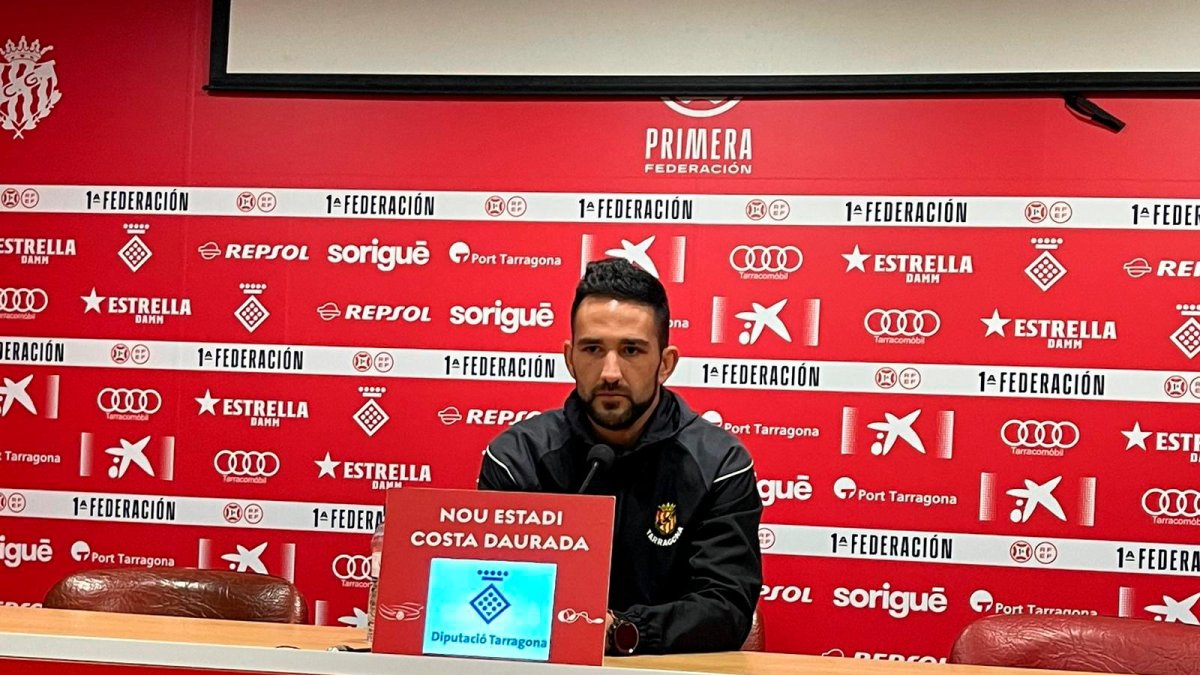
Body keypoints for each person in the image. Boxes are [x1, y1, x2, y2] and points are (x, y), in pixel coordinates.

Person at [477, 258, 762, 655]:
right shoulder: (518, 459)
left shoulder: (720, 465)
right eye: (593, 349)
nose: (610, 372)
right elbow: (492, 591)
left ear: (665, 363)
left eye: (631, 350)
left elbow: (726, 608)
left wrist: (622, 631)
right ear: (570, 358)